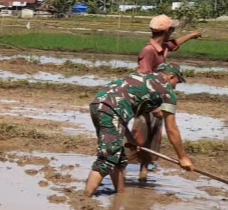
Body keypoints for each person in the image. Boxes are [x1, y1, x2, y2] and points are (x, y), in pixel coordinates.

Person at [84, 63, 195, 197]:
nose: (176, 86)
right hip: (112, 110)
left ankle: (120, 194)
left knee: (118, 155)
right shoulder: (167, 91)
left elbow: (121, 111)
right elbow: (171, 129)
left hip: (98, 105)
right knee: (107, 158)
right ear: (171, 77)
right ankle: (84, 200)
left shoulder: (140, 77)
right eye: (177, 82)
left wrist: (132, 140)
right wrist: (183, 157)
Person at [131, 15, 200, 183]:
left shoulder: (162, 47)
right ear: (167, 31)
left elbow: (174, 45)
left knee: (154, 135)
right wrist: (153, 106)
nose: (173, 32)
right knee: (140, 135)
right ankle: (122, 170)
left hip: (157, 97)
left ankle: (143, 172)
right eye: (172, 29)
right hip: (147, 99)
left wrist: (192, 35)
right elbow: (144, 76)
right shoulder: (149, 51)